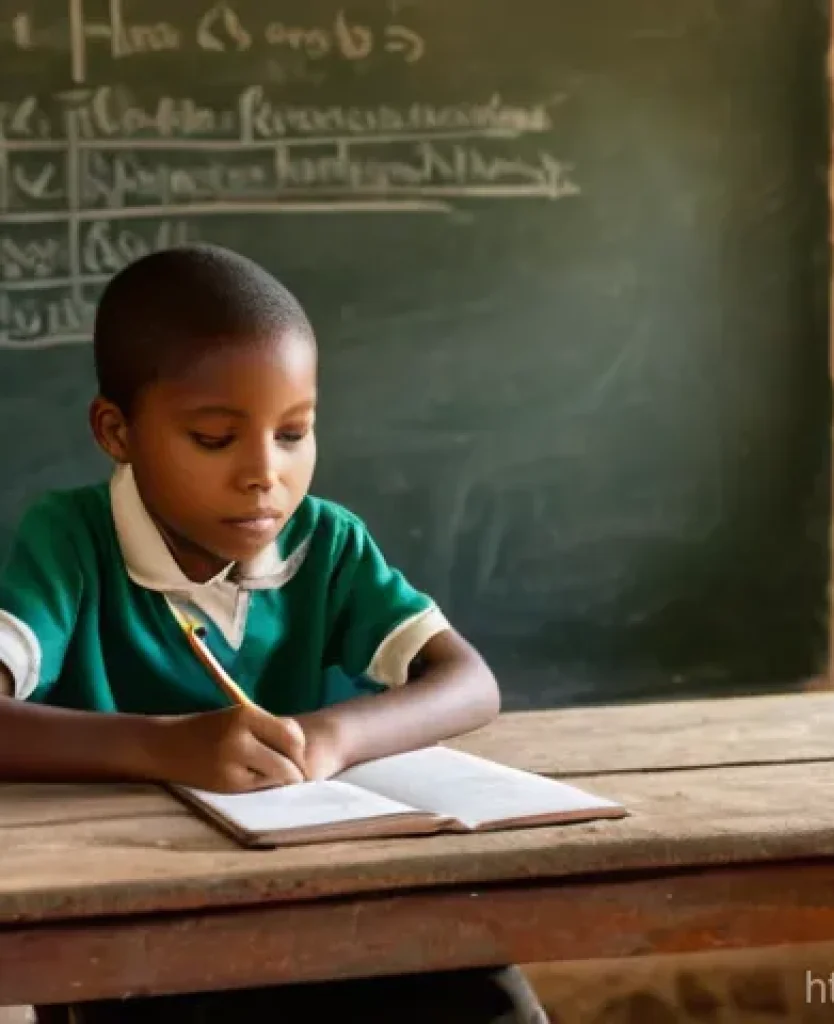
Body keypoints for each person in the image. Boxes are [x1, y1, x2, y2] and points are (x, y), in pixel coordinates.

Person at [0, 243, 549, 1024]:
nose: (266, 474)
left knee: (484, 991)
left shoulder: (325, 543)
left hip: (312, 896)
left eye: (293, 434)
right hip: (138, 925)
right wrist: (169, 746)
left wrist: (328, 738)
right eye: (216, 440)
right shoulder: (71, 544)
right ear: (116, 431)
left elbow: (468, 683)